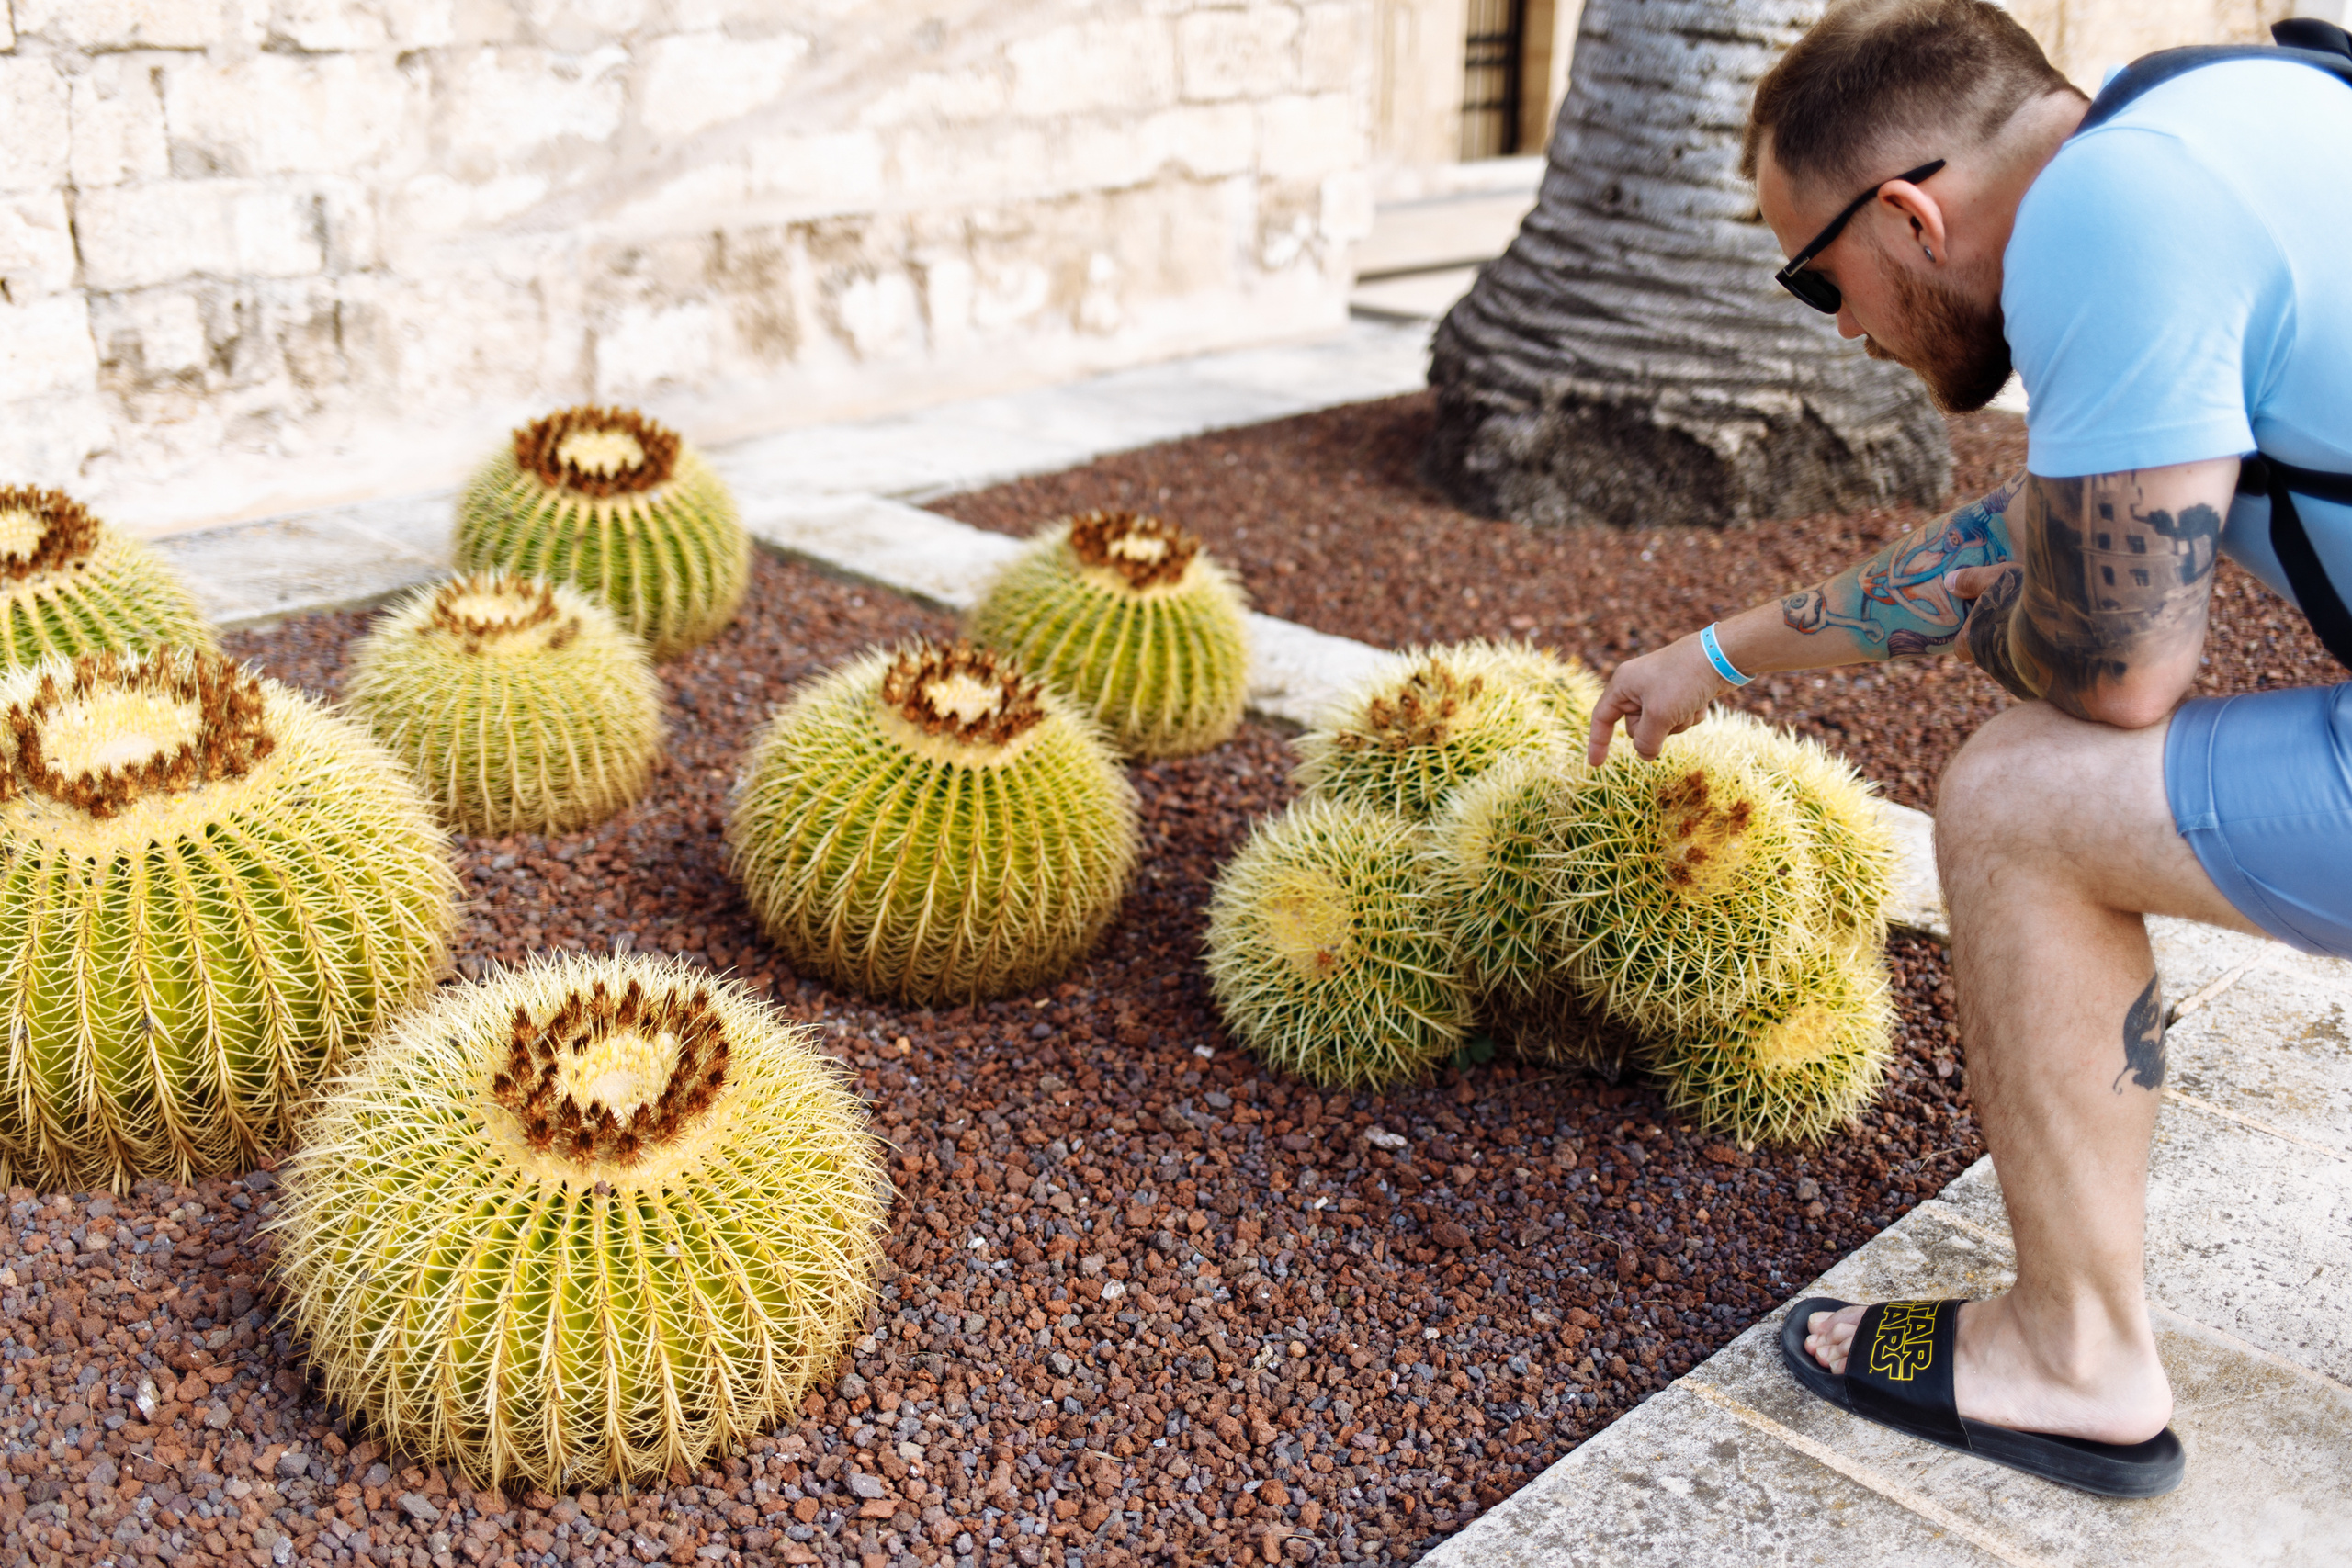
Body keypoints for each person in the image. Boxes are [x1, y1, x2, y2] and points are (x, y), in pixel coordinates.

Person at [1582, 0, 2352, 1497]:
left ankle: (2073, 1357)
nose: (1852, 330)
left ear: (1914, 213)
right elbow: (2049, 522)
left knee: (2016, 795)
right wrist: (1718, 656)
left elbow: (2117, 664)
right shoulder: (2217, 117)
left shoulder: (2105, 222)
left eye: (1821, 284)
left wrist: (2029, 623)